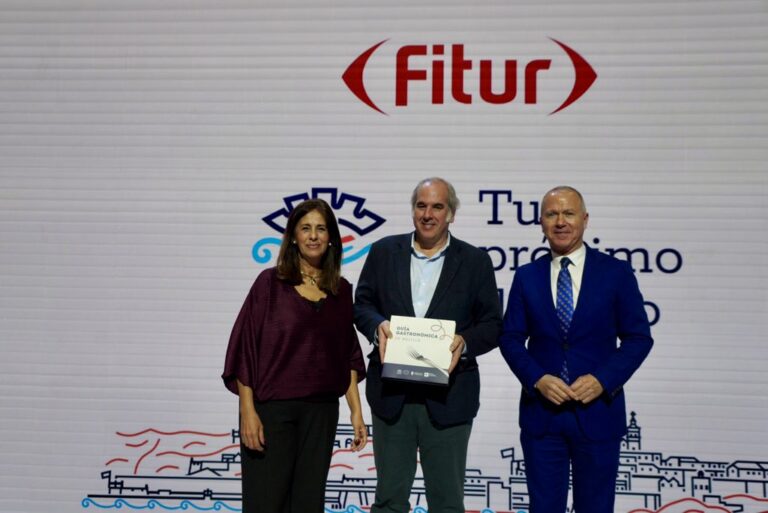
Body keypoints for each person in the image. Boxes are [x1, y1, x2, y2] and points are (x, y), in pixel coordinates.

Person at [499, 186, 653, 513]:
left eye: (568, 213)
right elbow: (510, 338)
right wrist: (537, 378)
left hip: (598, 414)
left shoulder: (616, 273)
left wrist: (603, 379)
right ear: (540, 222)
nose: (560, 222)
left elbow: (639, 337)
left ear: (585, 220)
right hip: (542, 417)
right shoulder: (526, 276)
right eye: (552, 214)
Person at [354, 177, 502, 513]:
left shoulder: (475, 261)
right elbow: (362, 304)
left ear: (451, 213)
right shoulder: (382, 252)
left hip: (449, 396)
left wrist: (464, 342)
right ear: (412, 210)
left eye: (437, 206)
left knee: (447, 503)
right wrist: (377, 326)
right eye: (421, 205)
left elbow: (492, 325)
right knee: (389, 501)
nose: (428, 214)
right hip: (392, 396)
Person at [222, 198, 367, 513]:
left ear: (331, 238)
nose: (313, 236)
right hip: (272, 413)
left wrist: (357, 412)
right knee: (266, 503)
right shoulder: (269, 284)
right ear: (293, 236)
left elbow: (348, 356)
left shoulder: (340, 291)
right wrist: (247, 411)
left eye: (320, 228)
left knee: (308, 505)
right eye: (305, 228)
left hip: (322, 414)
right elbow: (245, 350)